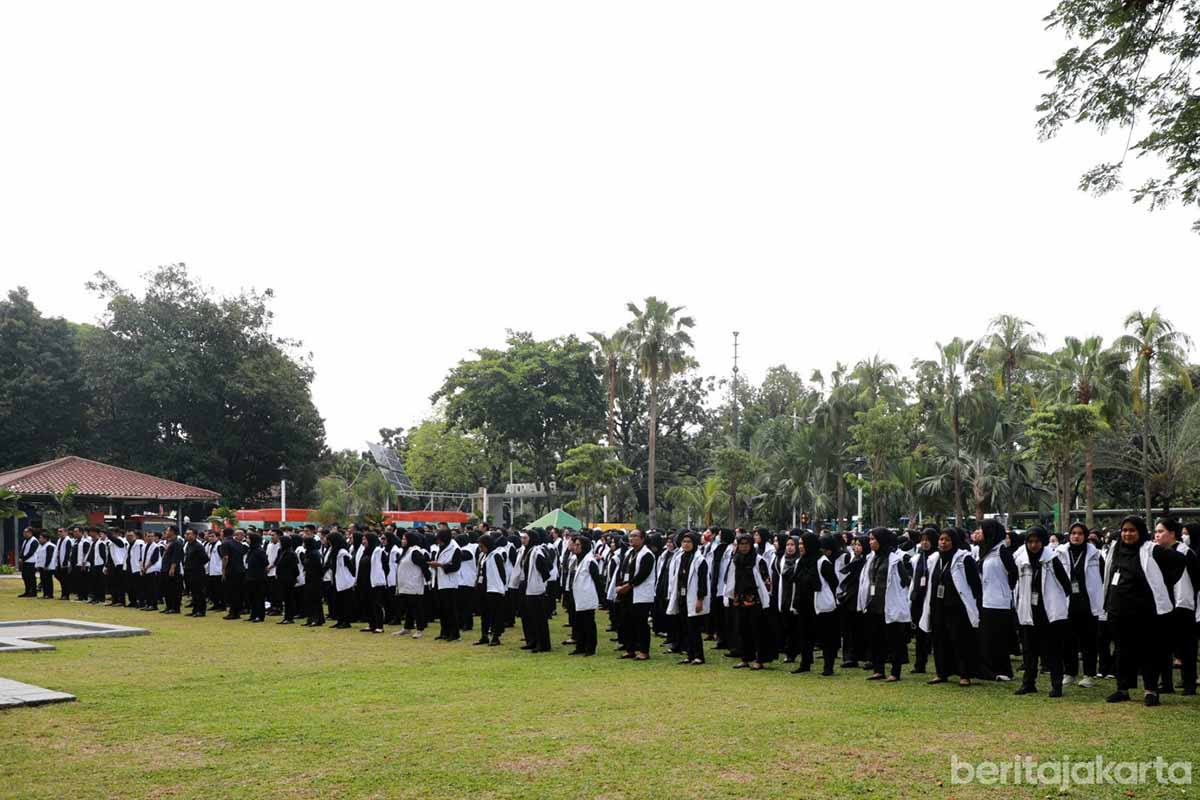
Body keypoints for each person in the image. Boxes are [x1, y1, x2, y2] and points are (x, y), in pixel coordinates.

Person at [1103, 515, 1185, 706]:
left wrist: (1166, 581)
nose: (1128, 534)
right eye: (1124, 530)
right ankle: (1122, 689)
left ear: (1140, 532)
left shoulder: (1150, 549)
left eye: (1132, 530)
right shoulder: (1115, 549)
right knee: (1122, 652)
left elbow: (1179, 560)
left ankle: (1151, 690)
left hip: (1144, 613)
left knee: (1148, 652)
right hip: (1118, 610)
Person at [1013, 526, 1071, 697]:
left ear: (1043, 542)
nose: (1033, 545)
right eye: (1030, 542)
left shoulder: (1052, 559)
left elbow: (1066, 584)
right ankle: (1028, 683)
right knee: (1029, 651)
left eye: (1037, 541)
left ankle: (1056, 685)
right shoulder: (1021, 560)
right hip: (1028, 611)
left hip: (1049, 613)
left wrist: (1057, 602)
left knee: (1053, 651)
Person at [918, 528, 981, 687]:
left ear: (954, 542)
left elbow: (975, 584)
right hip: (938, 607)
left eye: (947, 540)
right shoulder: (934, 559)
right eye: (941, 540)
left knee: (959, 641)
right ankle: (941, 673)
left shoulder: (964, 559)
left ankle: (964, 674)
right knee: (939, 641)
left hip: (958, 608)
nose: (943, 543)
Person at [857, 527, 912, 682]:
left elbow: (906, 581)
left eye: (873, 539)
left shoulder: (895, 560)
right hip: (873, 605)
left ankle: (895, 672)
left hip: (890, 605)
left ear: (881, 540)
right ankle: (878, 669)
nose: (870, 542)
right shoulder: (871, 558)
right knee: (876, 638)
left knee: (894, 640)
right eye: (870, 539)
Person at [1154, 517, 1198, 695]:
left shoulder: (1186, 552)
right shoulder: (1156, 552)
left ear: (1172, 533)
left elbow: (1196, 580)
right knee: (1163, 646)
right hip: (1163, 605)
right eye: (1156, 532)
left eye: (1161, 531)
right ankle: (1166, 683)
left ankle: (1189, 684)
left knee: (1187, 647)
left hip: (1183, 605)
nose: (1157, 535)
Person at [1058, 522, 1103, 688]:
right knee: (1068, 640)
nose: (1076, 536)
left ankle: (1089, 674)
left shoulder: (1096, 555)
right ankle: (1070, 673)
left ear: (1085, 536)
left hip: (1088, 603)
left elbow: (1103, 578)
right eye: (1073, 533)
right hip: (1067, 603)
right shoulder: (1060, 553)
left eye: (1080, 533)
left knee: (1089, 641)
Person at [974, 518, 1017, 681]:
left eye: (982, 530)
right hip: (986, 600)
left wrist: (1005, 590)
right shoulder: (987, 551)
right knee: (987, 638)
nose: (980, 532)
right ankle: (989, 670)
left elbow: (1013, 573)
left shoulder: (1002, 551)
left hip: (1000, 602)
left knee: (998, 638)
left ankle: (1004, 670)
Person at [726, 532, 771, 670]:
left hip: (755, 601)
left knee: (757, 630)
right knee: (742, 629)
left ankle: (759, 659)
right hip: (739, 600)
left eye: (746, 544)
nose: (744, 547)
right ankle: (745, 658)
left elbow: (766, 582)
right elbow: (731, 579)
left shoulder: (758, 560)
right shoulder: (736, 560)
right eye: (741, 544)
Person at [666, 530, 709, 665]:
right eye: (684, 541)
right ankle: (690, 654)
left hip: (694, 598)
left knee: (694, 629)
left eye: (689, 542)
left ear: (694, 543)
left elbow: (703, 583)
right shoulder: (680, 557)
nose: (686, 544)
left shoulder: (700, 560)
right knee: (685, 628)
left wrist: (699, 600)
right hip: (682, 597)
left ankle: (698, 656)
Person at [616, 529, 656, 661]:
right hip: (627, 593)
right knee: (627, 622)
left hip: (640, 593)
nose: (631, 538)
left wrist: (628, 586)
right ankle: (630, 649)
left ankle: (644, 651)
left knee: (641, 623)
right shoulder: (629, 553)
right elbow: (622, 570)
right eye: (630, 536)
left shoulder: (647, 554)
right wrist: (619, 584)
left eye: (635, 536)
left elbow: (642, 575)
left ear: (643, 539)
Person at [908, 527, 937, 674]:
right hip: (918, 599)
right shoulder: (918, 558)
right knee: (919, 633)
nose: (925, 543)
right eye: (922, 540)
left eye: (928, 540)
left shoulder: (937, 557)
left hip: (931, 600)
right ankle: (920, 664)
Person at [813, 534, 843, 675]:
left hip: (828, 603)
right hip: (820, 603)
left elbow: (834, 582)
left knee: (829, 636)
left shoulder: (823, 562)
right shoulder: (817, 560)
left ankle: (828, 665)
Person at [475, 533, 510, 647]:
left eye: (482, 546)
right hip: (482, 587)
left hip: (494, 588)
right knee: (484, 613)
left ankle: (496, 636)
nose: (481, 549)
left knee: (495, 613)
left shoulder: (496, 555)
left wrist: (502, 587)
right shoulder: (482, 555)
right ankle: (484, 635)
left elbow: (501, 573)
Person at [393, 531, 429, 638]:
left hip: (414, 585)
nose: (402, 541)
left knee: (417, 608)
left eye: (405, 539)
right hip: (405, 586)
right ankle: (407, 628)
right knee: (408, 608)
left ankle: (420, 630)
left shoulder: (415, 552)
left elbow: (424, 566)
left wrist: (428, 580)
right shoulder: (406, 551)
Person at [429, 529, 462, 642]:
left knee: (450, 610)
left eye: (440, 540)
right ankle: (444, 632)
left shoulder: (455, 548)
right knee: (442, 609)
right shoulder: (441, 547)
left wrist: (441, 565)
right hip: (439, 581)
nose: (439, 543)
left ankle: (454, 633)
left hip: (450, 583)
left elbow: (456, 566)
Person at [357, 532, 387, 633]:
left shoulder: (378, 551)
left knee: (376, 604)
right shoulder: (365, 551)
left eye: (365, 539)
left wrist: (380, 577)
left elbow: (385, 567)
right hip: (365, 582)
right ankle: (371, 624)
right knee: (367, 603)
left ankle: (379, 626)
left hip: (375, 583)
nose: (363, 542)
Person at [328, 532, 356, 629]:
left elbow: (351, 567)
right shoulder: (335, 551)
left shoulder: (343, 553)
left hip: (345, 581)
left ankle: (346, 621)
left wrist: (352, 580)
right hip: (337, 580)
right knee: (338, 602)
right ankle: (340, 620)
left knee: (345, 602)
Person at [219, 529, 246, 619]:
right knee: (238, 592)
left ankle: (233, 612)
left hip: (231, 570)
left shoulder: (225, 543)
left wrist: (223, 569)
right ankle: (237, 611)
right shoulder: (239, 544)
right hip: (240, 570)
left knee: (231, 592)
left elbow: (225, 557)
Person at [276, 534, 300, 625]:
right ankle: (287, 617)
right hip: (283, 578)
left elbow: (295, 568)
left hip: (288, 579)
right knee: (285, 598)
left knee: (289, 598)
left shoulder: (290, 553)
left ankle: (289, 617)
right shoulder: (282, 551)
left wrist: (293, 578)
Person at [244, 532, 269, 623]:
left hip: (258, 577)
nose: (247, 540)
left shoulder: (259, 550)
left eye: (248, 538)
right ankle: (253, 614)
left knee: (259, 597)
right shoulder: (251, 550)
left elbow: (265, 562)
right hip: (251, 576)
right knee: (252, 597)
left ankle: (259, 615)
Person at [183, 529, 208, 617]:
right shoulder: (189, 545)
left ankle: (201, 611)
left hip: (197, 571)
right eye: (186, 534)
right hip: (189, 571)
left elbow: (205, 558)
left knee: (199, 592)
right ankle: (195, 609)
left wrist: (196, 565)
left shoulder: (198, 546)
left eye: (189, 534)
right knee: (193, 592)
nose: (187, 535)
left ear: (195, 535)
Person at [302, 538, 326, 626]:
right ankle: (310, 618)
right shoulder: (308, 553)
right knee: (309, 599)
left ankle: (316, 619)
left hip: (315, 580)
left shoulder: (315, 554)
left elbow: (319, 567)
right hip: (309, 578)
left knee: (315, 599)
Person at [160, 527, 184, 614]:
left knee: (174, 589)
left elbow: (176, 556)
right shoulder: (169, 542)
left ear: (172, 532)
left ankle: (175, 607)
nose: (166, 532)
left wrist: (172, 567)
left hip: (172, 569)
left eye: (168, 531)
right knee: (167, 589)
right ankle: (169, 606)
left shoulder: (177, 543)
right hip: (165, 568)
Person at [141, 532, 163, 611]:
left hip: (152, 569)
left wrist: (145, 568)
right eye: (148, 536)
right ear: (145, 537)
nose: (150, 538)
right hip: (145, 570)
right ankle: (148, 604)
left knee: (152, 589)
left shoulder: (156, 547)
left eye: (152, 536)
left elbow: (154, 559)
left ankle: (153, 605)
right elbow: (142, 558)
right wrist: (142, 567)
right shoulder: (144, 546)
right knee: (146, 588)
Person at [18, 527, 39, 597]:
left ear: (30, 533)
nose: (24, 533)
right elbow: (23, 550)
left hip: (31, 562)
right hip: (25, 562)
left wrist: (23, 559)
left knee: (31, 578)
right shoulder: (25, 541)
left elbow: (31, 552)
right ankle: (27, 591)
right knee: (25, 577)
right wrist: (20, 557)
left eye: (25, 532)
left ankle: (33, 592)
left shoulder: (34, 541)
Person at [34, 530, 55, 599]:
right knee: (43, 580)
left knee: (48, 581)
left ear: (45, 539)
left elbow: (49, 556)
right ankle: (45, 594)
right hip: (42, 566)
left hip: (48, 567)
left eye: (41, 538)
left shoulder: (50, 545)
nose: (39, 539)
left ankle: (49, 594)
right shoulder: (41, 546)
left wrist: (46, 565)